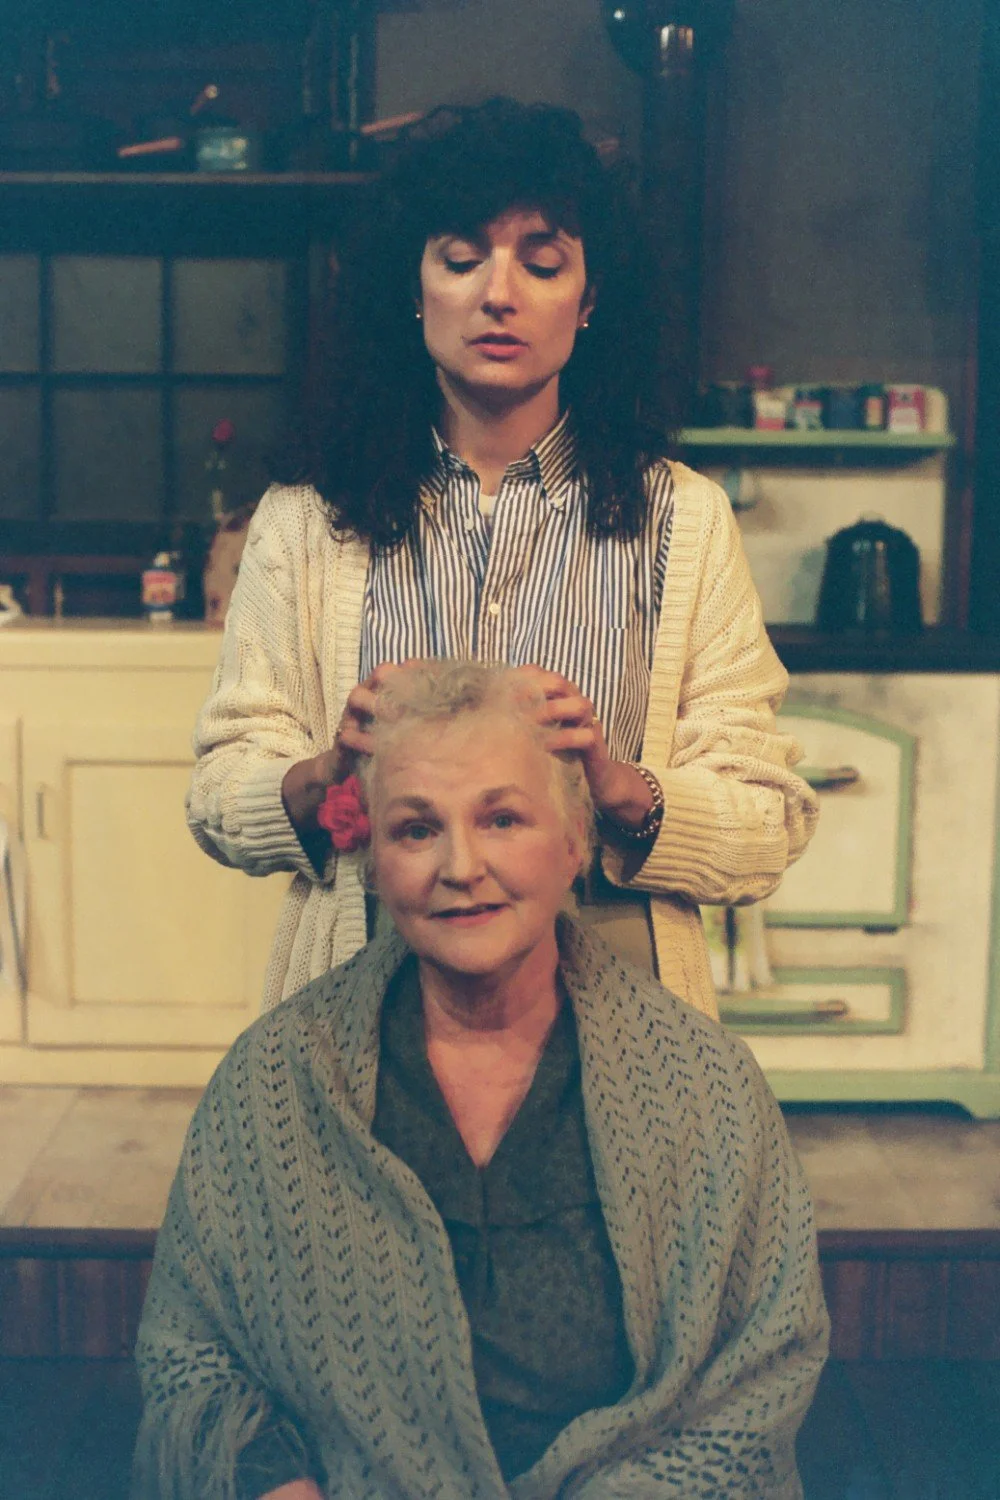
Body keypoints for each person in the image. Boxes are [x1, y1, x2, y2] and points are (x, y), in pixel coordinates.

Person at [186, 98, 818, 1018]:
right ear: (413, 288)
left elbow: (769, 822)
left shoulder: (681, 518)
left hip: (615, 974)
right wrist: (322, 777)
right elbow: (216, 795)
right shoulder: (307, 523)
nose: (500, 293)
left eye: (544, 261)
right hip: (370, 968)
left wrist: (618, 788)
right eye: (461, 258)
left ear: (590, 299)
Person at [137, 662, 829, 1500]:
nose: (461, 865)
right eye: (416, 830)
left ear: (575, 842)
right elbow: (193, 1358)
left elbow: (764, 1369)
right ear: (371, 860)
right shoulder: (276, 1082)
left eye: (502, 818)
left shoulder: (704, 1087)